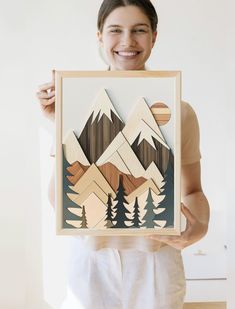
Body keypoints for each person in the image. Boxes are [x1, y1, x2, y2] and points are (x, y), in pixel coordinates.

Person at [36, 1, 210, 308]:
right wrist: (60, 125)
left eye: (139, 30)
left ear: (154, 36)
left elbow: (193, 191)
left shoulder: (179, 112)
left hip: (156, 262)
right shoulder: (75, 103)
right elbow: (59, 198)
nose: (127, 41)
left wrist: (199, 228)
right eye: (115, 30)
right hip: (92, 261)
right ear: (100, 36)